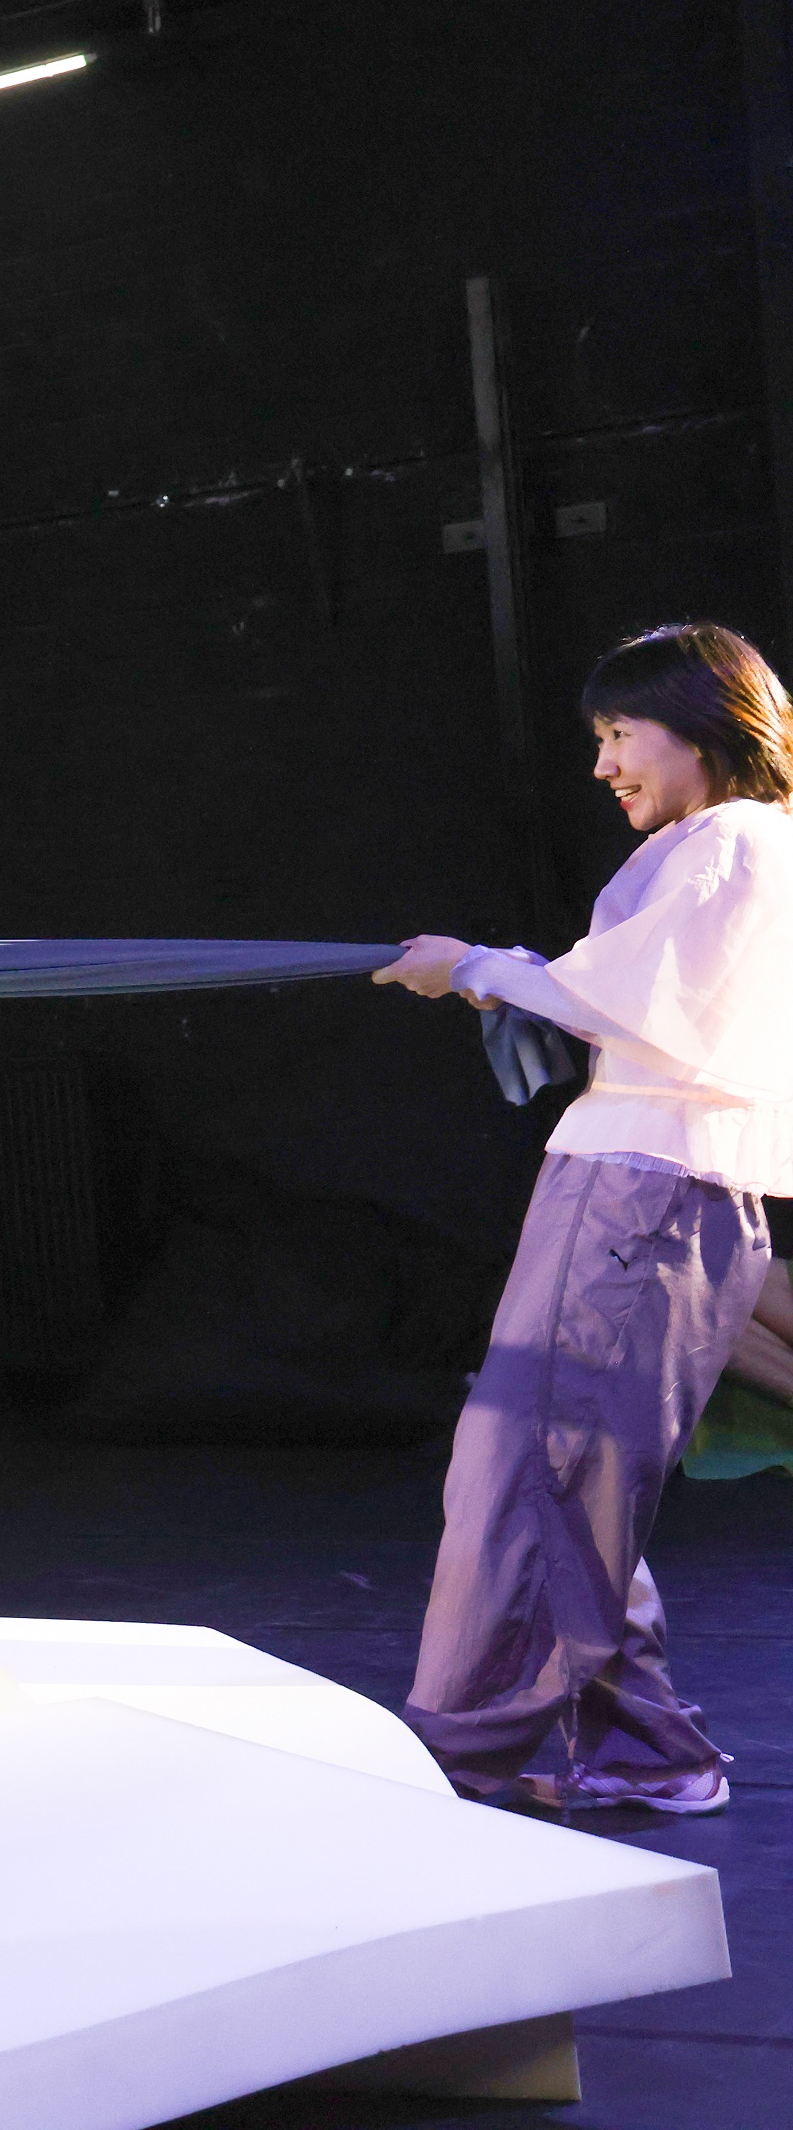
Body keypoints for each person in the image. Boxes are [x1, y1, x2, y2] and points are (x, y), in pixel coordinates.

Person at [373, 620, 793, 1815]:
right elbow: (642, 1000)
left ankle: (483, 1748)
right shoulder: (729, 846)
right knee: (562, 1475)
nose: (604, 763)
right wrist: (504, 975)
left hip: (639, 1191)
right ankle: (641, 1749)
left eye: (621, 732)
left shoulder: (734, 840)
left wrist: (475, 966)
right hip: (643, 1189)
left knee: (530, 1470)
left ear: (703, 726)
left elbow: (640, 1000)